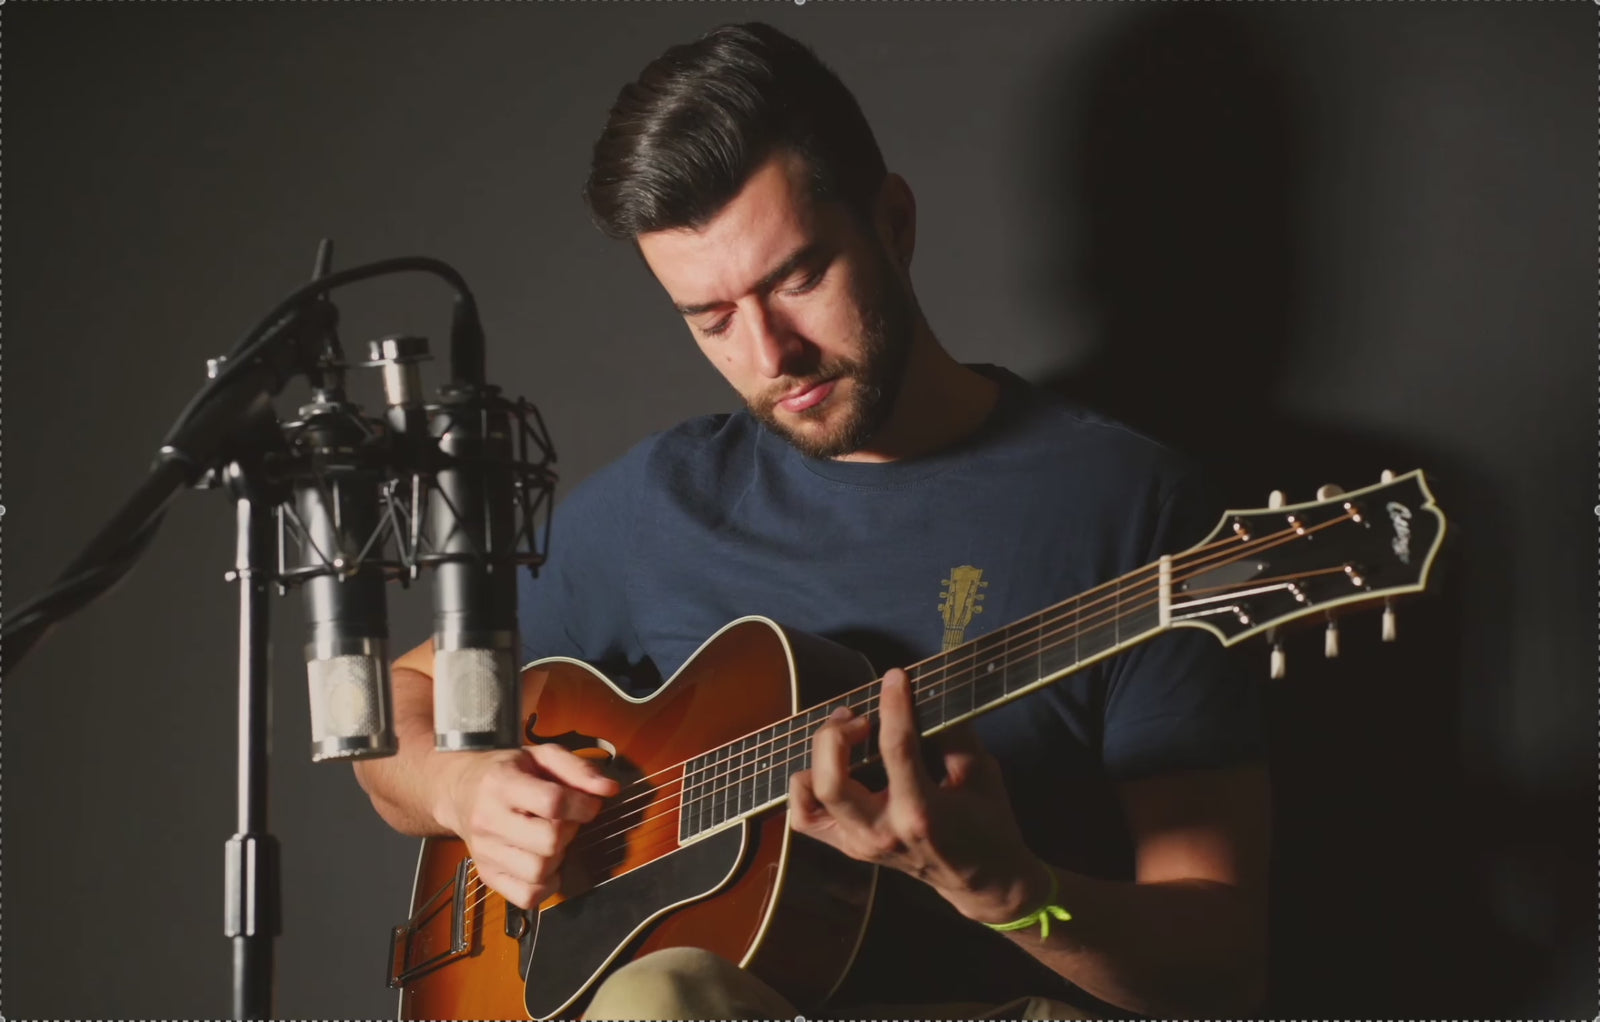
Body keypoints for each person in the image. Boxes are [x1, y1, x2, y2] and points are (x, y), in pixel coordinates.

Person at [355, 22, 1269, 1019]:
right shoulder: (661, 504)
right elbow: (392, 707)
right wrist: (463, 789)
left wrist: (1013, 895)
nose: (769, 351)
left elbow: (1216, 967)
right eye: (710, 319)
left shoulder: (1131, 510)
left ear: (894, 220)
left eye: (797, 278)